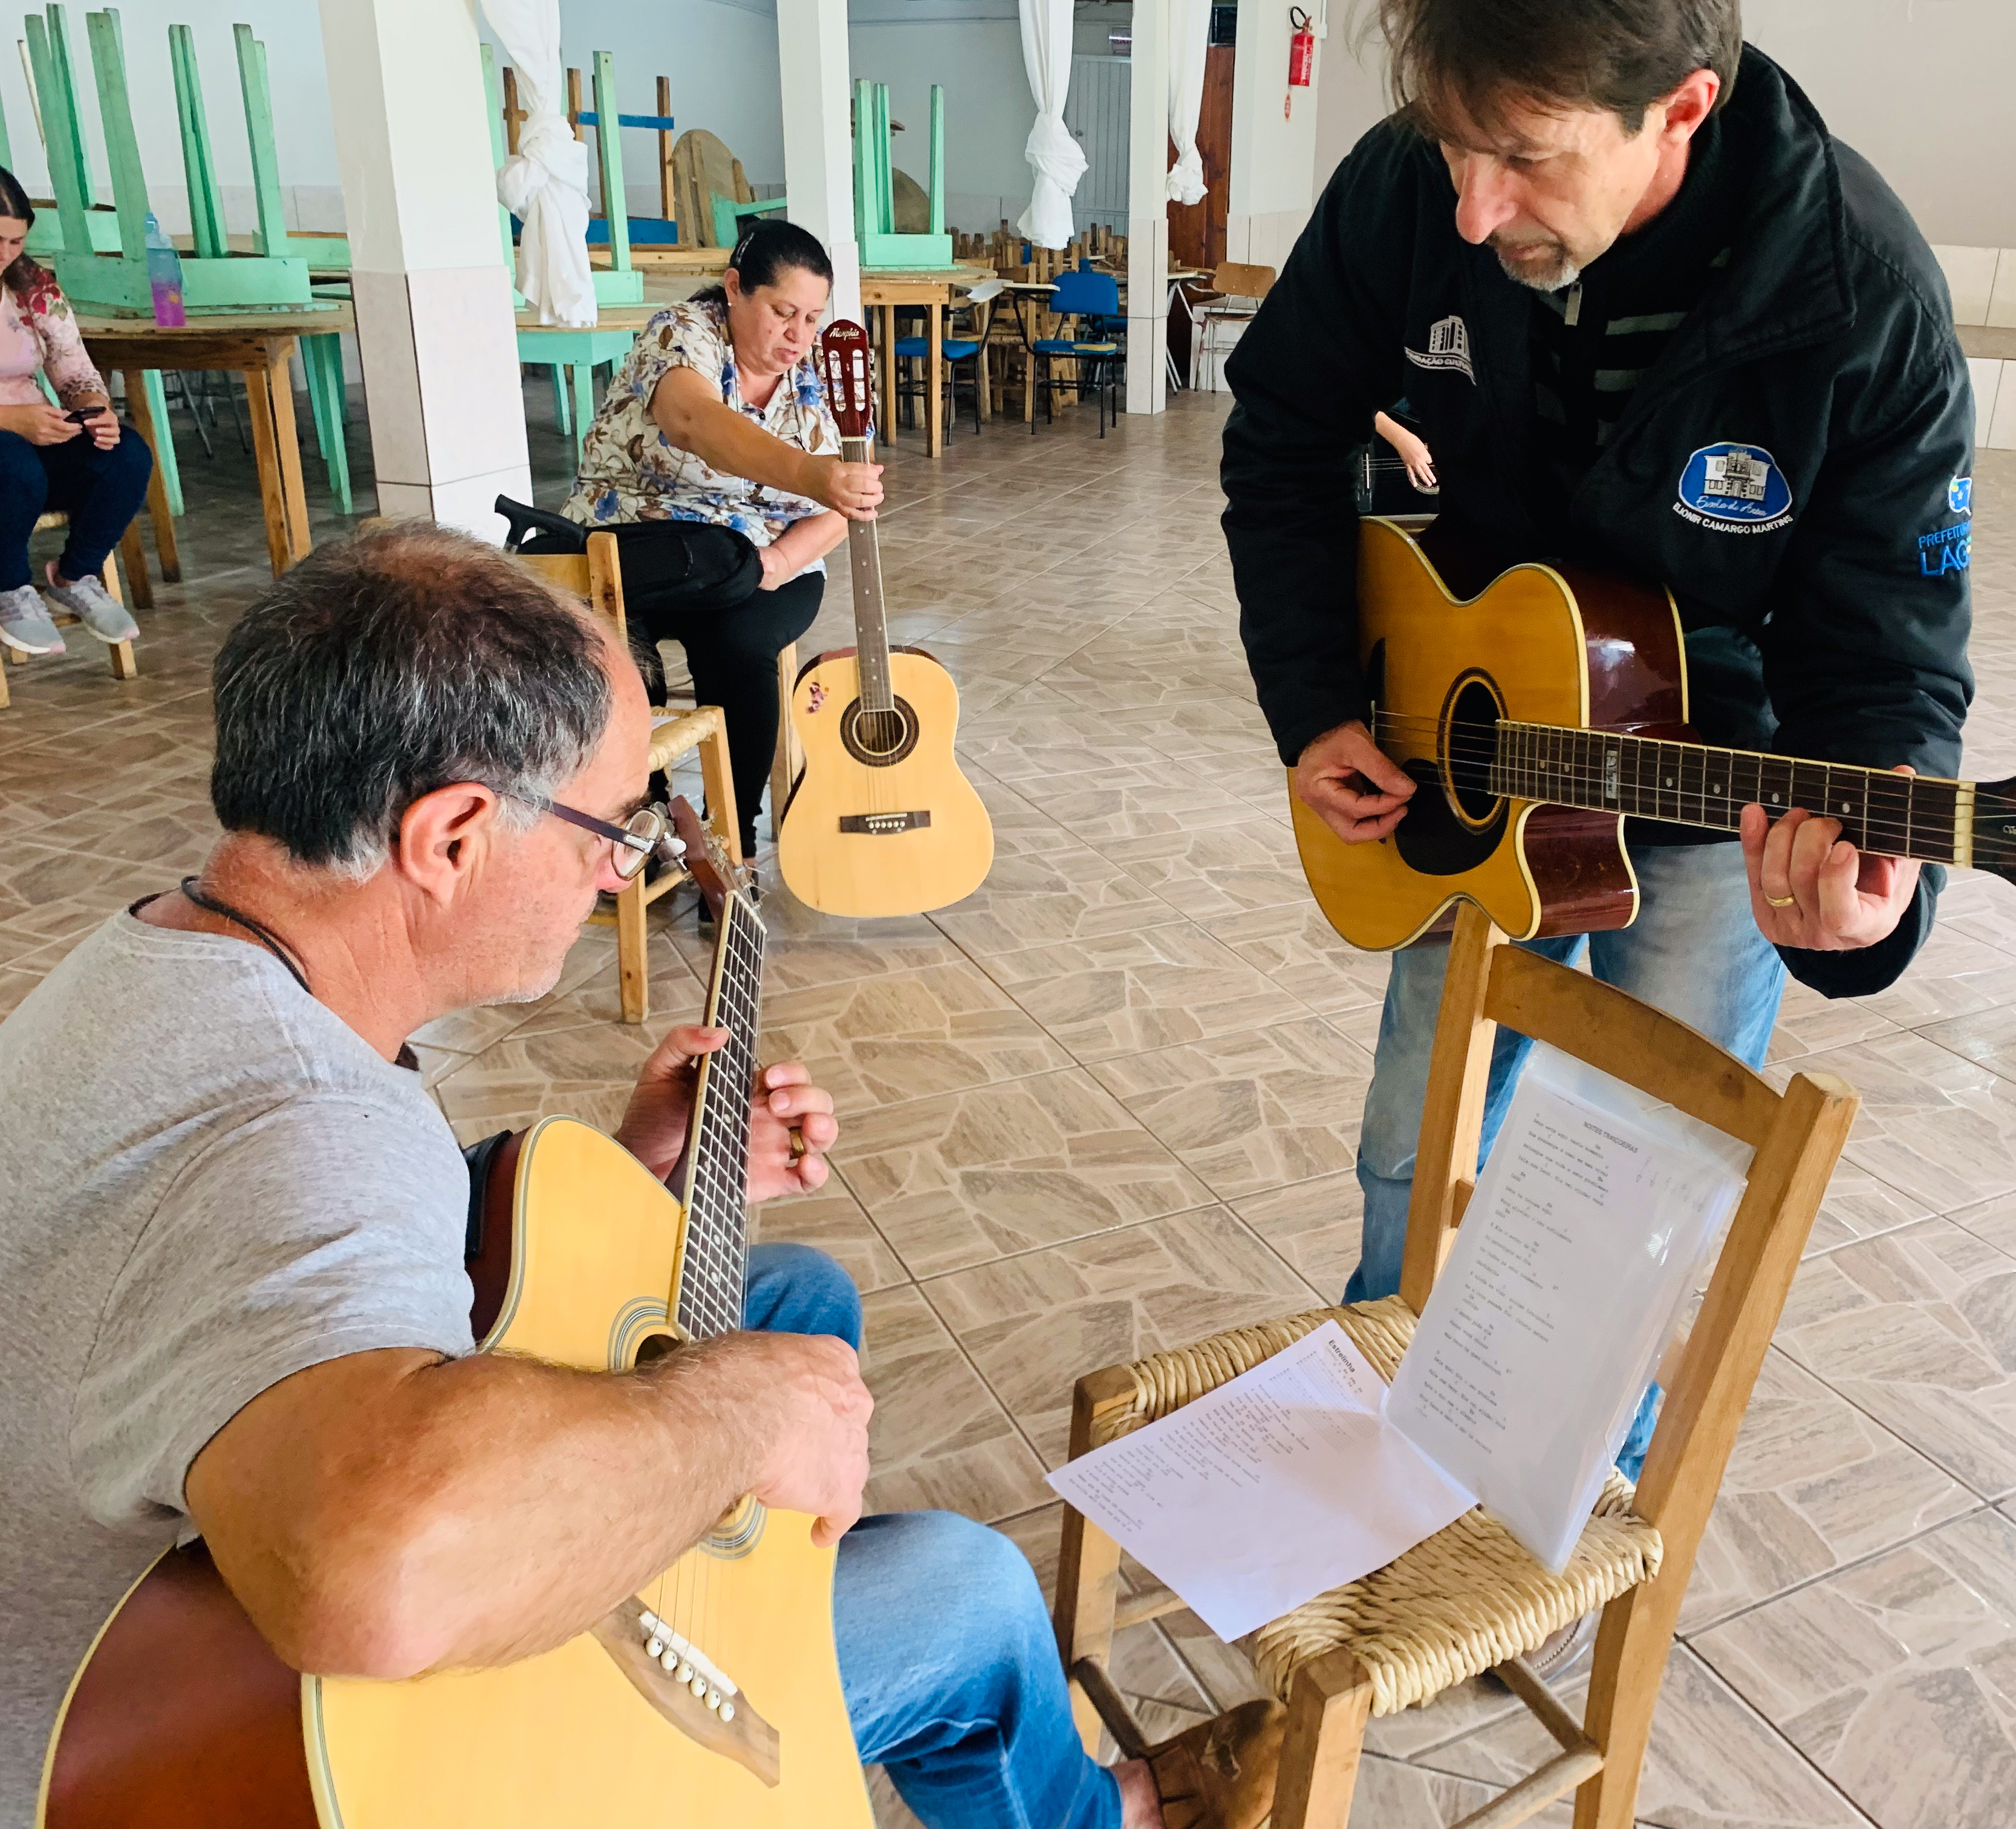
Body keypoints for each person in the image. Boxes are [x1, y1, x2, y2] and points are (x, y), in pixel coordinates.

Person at [0, 524, 1284, 1829]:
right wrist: (735, 1416)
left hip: (192, 1608)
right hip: (248, 1753)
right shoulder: (301, 1126)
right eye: (613, 829)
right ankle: (1089, 1813)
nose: (624, 869)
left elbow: (280, 1280)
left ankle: (753, 1600)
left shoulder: (164, 964)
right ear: (448, 838)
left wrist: (635, 1180)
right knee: (969, 1592)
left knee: (788, 1295)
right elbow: (376, 1566)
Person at [1220, 0, 1973, 1665]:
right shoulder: (1413, 188)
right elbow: (1279, 437)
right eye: (1454, 150)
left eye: (1524, 160)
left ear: (1680, 111)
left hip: (1719, 790)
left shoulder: (1858, 296)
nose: (1473, 212)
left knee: (1634, 1187)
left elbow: (1893, 651)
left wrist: (1871, 900)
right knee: (1416, 1149)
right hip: (1462, 751)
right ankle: (1376, 1451)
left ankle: (1554, 1518)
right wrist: (1318, 704)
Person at [565, 220, 885, 848]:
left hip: (766, 557)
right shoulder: (682, 333)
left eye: (813, 318)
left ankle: (731, 841)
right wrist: (810, 474)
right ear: (735, 288)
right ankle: (637, 824)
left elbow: (842, 509)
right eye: (783, 311)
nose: (799, 336)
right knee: (616, 653)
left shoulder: (818, 381)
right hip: (638, 543)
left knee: (741, 646)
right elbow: (694, 422)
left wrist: (774, 561)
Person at [0, 164, 149, 658]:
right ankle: (9, 589)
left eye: (16, 242)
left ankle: (75, 573)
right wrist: (11, 420)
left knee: (125, 454)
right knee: (12, 461)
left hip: (37, 448)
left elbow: (75, 372)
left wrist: (94, 410)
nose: (5, 255)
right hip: (9, 459)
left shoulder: (32, 288)